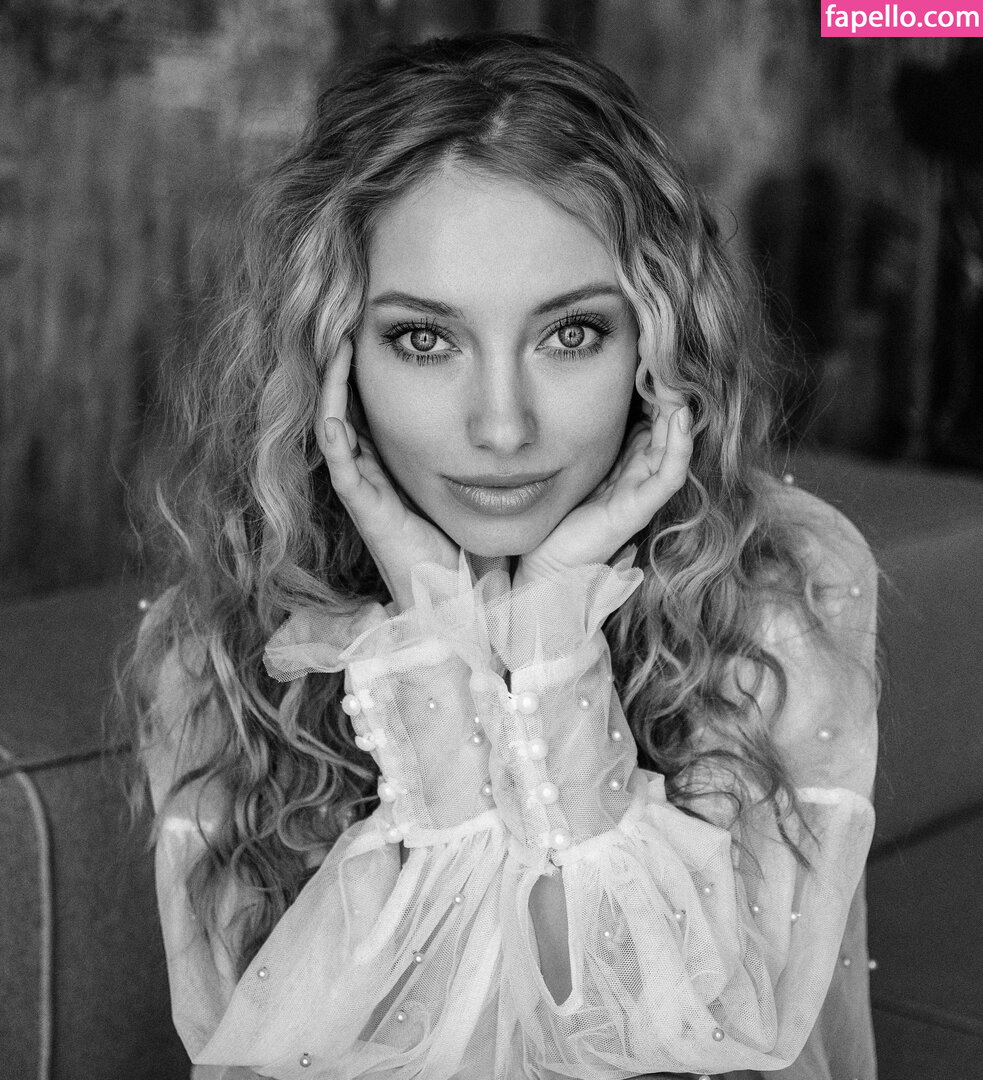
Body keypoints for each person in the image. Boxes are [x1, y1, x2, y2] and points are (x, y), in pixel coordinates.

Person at [126, 31, 879, 1080]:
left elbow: (681, 1038)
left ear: (657, 344)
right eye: (423, 340)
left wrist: (555, 627)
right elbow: (302, 1054)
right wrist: (433, 628)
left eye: (569, 335)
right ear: (327, 354)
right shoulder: (217, 639)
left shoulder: (772, 585)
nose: (501, 427)